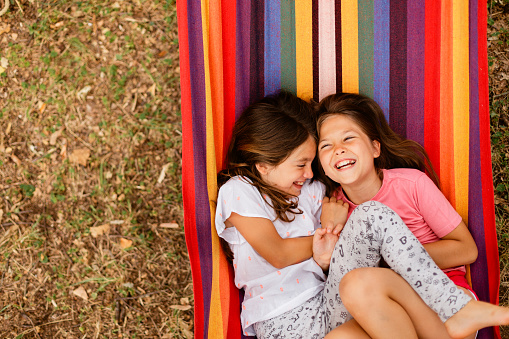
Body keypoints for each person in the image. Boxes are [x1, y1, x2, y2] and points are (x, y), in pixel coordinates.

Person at [214, 90, 508, 339]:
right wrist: (330, 231)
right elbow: (277, 253)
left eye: (312, 162)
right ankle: (456, 308)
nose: (309, 172)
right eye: (301, 164)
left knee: (372, 215)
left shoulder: (314, 190)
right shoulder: (240, 191)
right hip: (284, 322)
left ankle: (456, 305)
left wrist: (333, 242)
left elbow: (336, 256)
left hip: (331, 303)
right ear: (264, 164)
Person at [314, 92, 506, 338]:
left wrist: (389, 260)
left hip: (443, 300)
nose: (338, 150)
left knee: (359, 283)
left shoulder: (411, 184)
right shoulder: (332, 210)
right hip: (383, 312)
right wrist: (327, 255)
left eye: (348, 138)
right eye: (326, 145)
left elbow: (467, 249)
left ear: (375, 148)